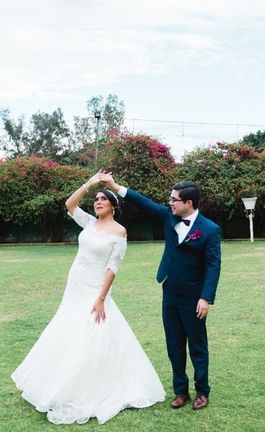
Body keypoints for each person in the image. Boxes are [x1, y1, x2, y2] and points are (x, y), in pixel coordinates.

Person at [11, 171, 165, 425]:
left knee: (92, 329)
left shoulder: (119, 232)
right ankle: (58, 378)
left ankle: (91, 384)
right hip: (76, 284)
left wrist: (102, 297)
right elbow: (69, 205)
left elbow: (113, 267)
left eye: (103, 199)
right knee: (68, 326)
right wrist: (90, 184)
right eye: (96, 199)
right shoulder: (89, 223)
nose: (98, 202)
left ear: (113, 206)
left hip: (96, 288)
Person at [99, 173, 221, 411]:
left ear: (189, 203)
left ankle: (202, 392)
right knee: (174, 345)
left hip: (194, 298)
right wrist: (115, 187)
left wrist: (205, 297)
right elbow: (144, 202)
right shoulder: (168, 216)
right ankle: (180, 391)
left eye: (175, 200)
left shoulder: (210, 230)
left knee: (197, 346)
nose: (170, 203)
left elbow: (213, 266)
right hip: (170, 294)